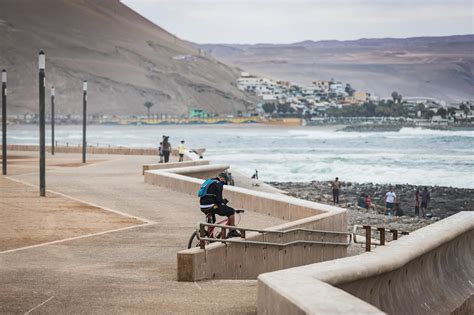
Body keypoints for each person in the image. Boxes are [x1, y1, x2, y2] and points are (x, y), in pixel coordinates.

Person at [199, 172, 240, 238]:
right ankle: (232, 231)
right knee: (231, 211)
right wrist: (223, 201)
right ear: (222, 178)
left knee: (212, 220)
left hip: (202, 206)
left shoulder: (210, 181)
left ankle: (210, 237)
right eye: (224, 182)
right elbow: (219, 200)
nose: (223, 184)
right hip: (211, 206)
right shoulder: (218, 184)